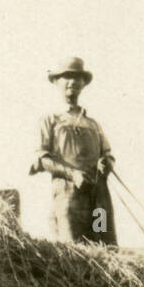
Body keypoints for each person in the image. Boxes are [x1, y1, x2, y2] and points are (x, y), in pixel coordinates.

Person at [30, 57, 117, 244]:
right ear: (56, 82)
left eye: (78, 77)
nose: (73, 82)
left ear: (83, 83)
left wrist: (106, 162)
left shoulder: (92, 124)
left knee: (103, 248)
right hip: (69, 199)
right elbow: (41, 158)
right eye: (67, 76)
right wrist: (73, 174)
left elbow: (108, 154)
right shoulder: (50, 120)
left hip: (98, 202)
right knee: (74, 250)